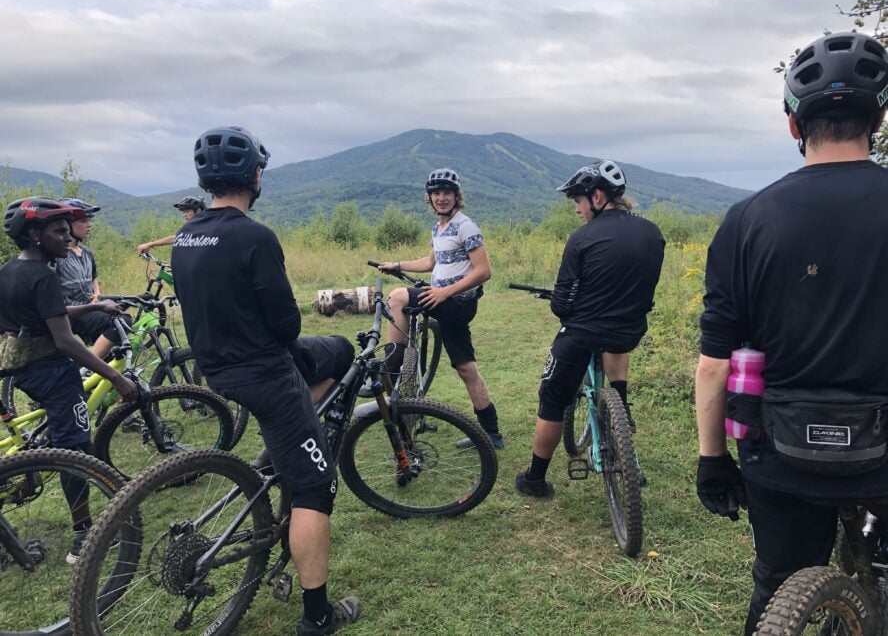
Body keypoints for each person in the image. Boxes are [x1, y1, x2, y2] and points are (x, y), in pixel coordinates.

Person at [694, 31, 888, 635]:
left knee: (777, 584)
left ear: (792, 123)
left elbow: (715, 365)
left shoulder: (747, 219)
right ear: (878, 117)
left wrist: (712, 460)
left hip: (778, 452)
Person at [171, 126, 361, 635]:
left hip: (219, 369)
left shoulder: (188, 234)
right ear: (254, 175)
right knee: (316, 490)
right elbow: (287, 326)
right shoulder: (254, 236)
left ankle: (295, 441)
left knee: (338, 351)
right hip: (267, 373)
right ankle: (318, 616)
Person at [0, 197, 138, 562]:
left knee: (59, 436)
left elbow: (48, 316)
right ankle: (83, 536)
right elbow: (64, 338)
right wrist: (116, 377)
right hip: (54, 374)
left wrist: (94, 305)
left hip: (22, 372)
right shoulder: (44, 275)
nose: (67, 238)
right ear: (34, 234)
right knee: (76, 453)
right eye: (58, 231)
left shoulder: (10, 269)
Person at [515, 161, 664, 497]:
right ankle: (621, 409)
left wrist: (564, 304)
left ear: (597, 196)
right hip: (629, 330)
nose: (578, 210)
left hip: (582, 334)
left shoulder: (581, 238)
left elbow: (562, 305)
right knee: (615, 342)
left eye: (579, 202)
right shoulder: (652, 232)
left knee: (552, 399)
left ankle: (535, 480)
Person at [376, 168, 502, 449]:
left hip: (456, 302)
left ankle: (390, 370)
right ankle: (491, 432)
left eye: (447, 193)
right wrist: (397, 265)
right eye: (436, 193)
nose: (441, 198)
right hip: (447, 303)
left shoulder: (465, 226)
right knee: (465, 367)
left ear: (457, 196)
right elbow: (430, 262)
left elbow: (483, 271)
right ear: (429, 198)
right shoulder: (440, 228)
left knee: (397, 298)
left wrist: (444, 292)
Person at [54, 198, 129, 358]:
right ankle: (89, 365)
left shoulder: (87, 252)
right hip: (72, 313)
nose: (89, 224)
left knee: (115, 352)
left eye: (89, 220)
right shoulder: (58, 255)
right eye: (83, 220)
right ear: (67, 224)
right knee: (121, 322)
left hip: (90, 307)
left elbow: (93, 278)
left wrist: (97, 294)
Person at [136, 195, 205, 254]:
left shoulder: (204, 227)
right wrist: (150, 244)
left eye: (187, 211)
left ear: (198, 211)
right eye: (183, 212)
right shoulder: (192, 227)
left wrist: (150, 244)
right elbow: (176, 238)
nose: (184, 215)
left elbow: (174, 239)